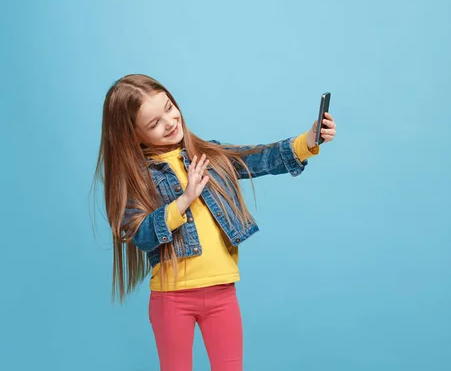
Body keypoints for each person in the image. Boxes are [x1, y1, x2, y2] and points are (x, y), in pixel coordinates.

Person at [93, 74, 337, 370]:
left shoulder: (207, 155)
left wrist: (308, 141)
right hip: (171, 298)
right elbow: (141, 235)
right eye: (154, 123)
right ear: (133, 136)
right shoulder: (137, 179)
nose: (170, 122)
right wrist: (183, 200)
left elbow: (257, 158)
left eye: (170, 108)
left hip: (222, 292)